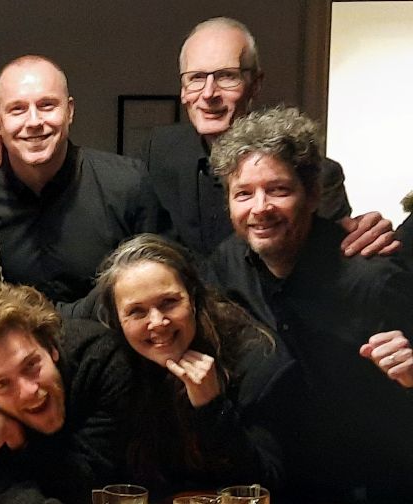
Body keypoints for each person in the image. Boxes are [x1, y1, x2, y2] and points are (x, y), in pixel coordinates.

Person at [205, 106, 413, 501]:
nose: (260, 207)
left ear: (313, 194)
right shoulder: (223, 267)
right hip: (269, 486)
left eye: (278, 190)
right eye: (244, 193)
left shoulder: (372, 276)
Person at [140, 17, 397, 258]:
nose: (208, 94)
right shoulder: (159, 151)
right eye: (196, 78)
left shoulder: (318, 174)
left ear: (255, 84)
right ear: (183, 89)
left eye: (226, 76)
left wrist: (366, 236)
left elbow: (332, 262)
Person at [0, 55, 170, 304]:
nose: (34, 122)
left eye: (47, 105)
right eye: (17, 109)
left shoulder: (128, 186)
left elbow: (165, 284)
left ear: (70, 111)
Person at [92, 234, 285, 493]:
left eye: (169, 302)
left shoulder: (255, 356)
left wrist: (212, 408)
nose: (158, 322)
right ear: (116, 320)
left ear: (193, 298)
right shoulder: (114, 366)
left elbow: (265, 485)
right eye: (137, 312)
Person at [0, 283, 132, 504]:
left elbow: (94, 485)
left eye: (31, 365)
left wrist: (21, 443)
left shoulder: (103, 360)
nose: (28, 391)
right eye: (2, 384)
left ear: (52, 348)